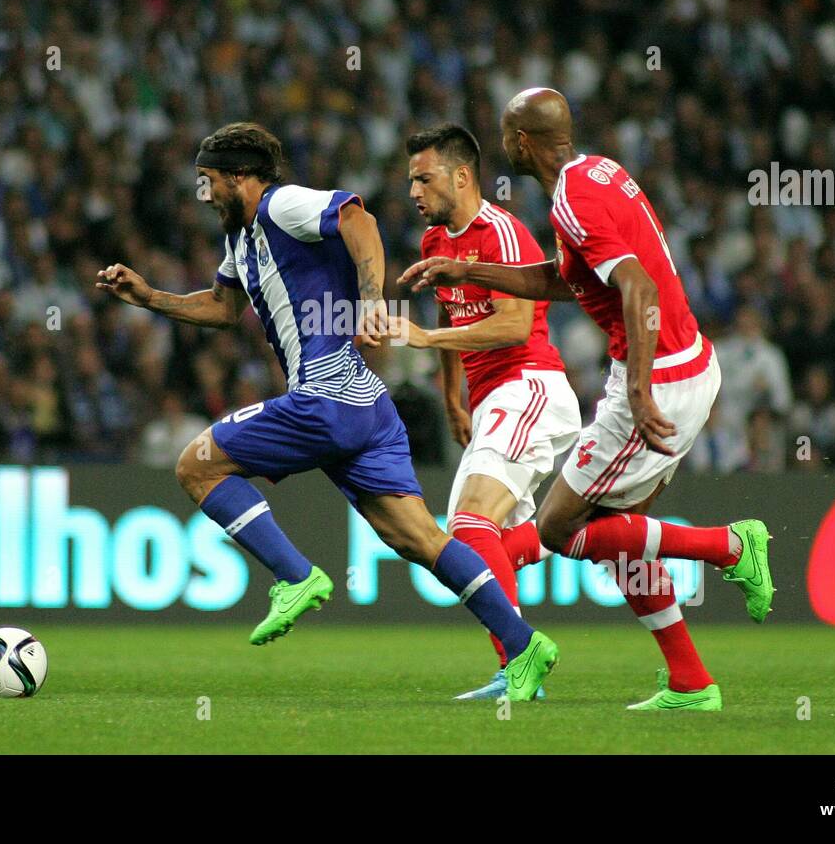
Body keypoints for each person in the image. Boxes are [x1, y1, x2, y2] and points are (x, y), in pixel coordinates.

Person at [97, 122, 558, 701]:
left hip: (326, 396)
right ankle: (524, 644)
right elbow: (221, 309)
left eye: (209, 181)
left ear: (242, 177)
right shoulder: (240, 241)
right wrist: (150, 297)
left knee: (197, 465)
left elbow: (357, 218)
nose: (205, 194)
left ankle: (295, 577)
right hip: (367, 406)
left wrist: (369, 300)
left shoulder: (283, 204)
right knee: (421, 540)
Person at [401, 89, 773, 711]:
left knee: (557, 527)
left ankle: (731, 547)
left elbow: (637, 284)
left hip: (659, 379)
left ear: (521, 143)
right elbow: (566, 280)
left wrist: (638, 385)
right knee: (612, 535)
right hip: (689, 363)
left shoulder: (570, 199)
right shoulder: (599, 174)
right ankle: (691, 681)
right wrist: (470, 274)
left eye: (505, 134)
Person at [390, 124, 579, 700]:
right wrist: (453, 396)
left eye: (424, 178)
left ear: (462, 176)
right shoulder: (433, 244)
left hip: (530, 385)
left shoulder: (502, 232)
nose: (414, 192)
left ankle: (520, 657)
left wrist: (422, 341)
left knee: (469, 528)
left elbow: (514, 325)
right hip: (493, 397)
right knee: (478, 535)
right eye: (410, 182)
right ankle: (574, 532)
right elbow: (454, 315)